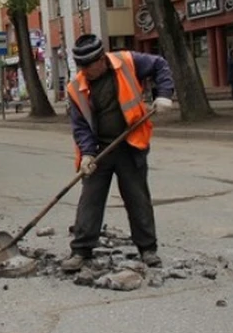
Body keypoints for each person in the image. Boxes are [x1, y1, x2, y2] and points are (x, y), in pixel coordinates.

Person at [61, 34, 176, 272]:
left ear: (101, 59)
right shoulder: (76, 88)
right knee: (90, 198)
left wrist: (163, 94)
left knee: (137, 198)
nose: (85, 71)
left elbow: (160, 65)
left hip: (130, 143)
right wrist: (87, 155)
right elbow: (81, 126)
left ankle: (147, 249)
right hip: (100, 149)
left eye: (88, 66)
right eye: (81, 67)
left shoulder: (127, 61)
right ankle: (81, 250)